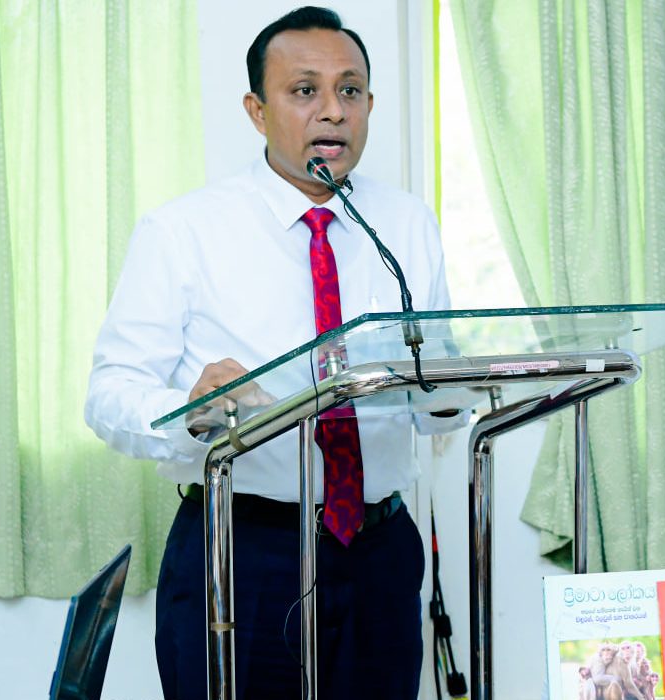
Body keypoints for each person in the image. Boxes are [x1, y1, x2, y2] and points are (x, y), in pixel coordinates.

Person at [83, 7, 457, 699]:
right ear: (257, 111)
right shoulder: (184, 231)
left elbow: (438, 398)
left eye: (350, 91)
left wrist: (456, 388)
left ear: (370, 106)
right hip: (243, 551)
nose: (333, 111)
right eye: (304, 90)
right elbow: (109, 394)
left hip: (378, 551)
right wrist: (189, 407)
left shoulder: (407, 224)